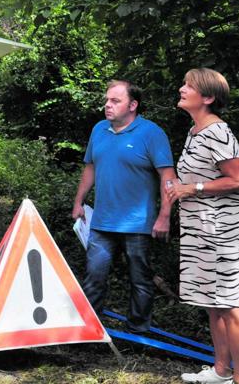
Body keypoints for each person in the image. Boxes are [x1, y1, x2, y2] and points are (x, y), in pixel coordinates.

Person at [165, 68, 239, 384]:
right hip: (199, 232)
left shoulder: (218, 132)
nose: (182, 88)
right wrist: (179, 186)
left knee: (230, 306)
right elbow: (196, 176)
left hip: (221, 233)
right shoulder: (194, 132)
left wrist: (194, 188)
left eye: (188, 85)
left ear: (208, 97)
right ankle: (221, 371)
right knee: (212, 305)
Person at [73, 80, 175, 334]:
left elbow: (168, 177)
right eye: (107, 100)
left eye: (115, 101)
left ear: (133, 105)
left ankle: (138, 331)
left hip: (138, 223)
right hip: (102, 221)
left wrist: (164, 215)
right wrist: (78, 201)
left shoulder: (151, 133)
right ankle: (89, 329)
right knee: (94, 277)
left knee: (140, 280)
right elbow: (90, 168)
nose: (107, 105)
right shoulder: (99, 129)